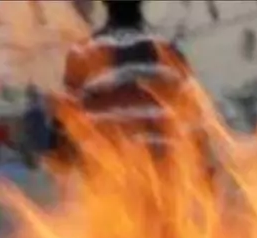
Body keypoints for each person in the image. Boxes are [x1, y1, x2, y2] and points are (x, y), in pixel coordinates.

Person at [57, 0, 203, 161]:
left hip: (114, 172)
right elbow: (194, 124)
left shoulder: (82, 55)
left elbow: (71, 124)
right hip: (162, 171)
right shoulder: (169, 53)